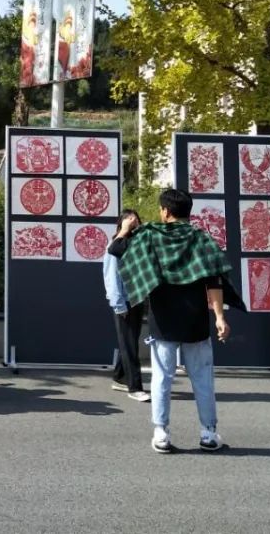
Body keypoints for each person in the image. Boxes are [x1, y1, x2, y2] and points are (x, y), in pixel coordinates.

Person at [119, 188, 231, 453]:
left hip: (163, 321)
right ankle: (208, 433)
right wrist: (219, 317)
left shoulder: (150, 236)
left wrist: (125, 230)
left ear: (165, 211)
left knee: (162, 379)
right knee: (202, 379)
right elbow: (214, 280)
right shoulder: (201, 238)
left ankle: (161, 433)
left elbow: (117, 250)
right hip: (195, 321)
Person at [103, 210, 149, 402]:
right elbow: (111, 278)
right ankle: (134, 387)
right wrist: (119, 305)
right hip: (125, 301)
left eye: (136, 220)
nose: (134, 224)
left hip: (137, 300)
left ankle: (119, 377)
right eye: (130, 221)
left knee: (129, 342)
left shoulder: (136, 244)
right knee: (129, 345)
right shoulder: (114, 246)